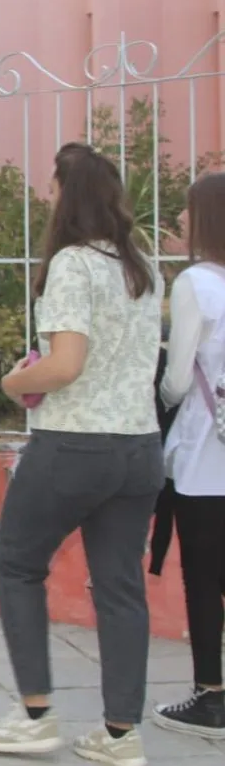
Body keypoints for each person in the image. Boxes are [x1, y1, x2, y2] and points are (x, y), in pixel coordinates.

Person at [0, 142, 164, 765]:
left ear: (68, 196)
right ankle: (120, 734)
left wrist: (12, 382)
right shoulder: (144, 266)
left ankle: (34, 714)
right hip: (138, 448)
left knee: (18, 564)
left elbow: (64, 365)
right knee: (120, 587)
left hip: (75, 445)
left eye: (53, 188)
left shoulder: (72, 266)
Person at [153, 172, 225, 739]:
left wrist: (162, 396)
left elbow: (178, 381)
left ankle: (211, 697)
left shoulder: (196, 283)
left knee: (203, 576)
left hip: (207, 453)